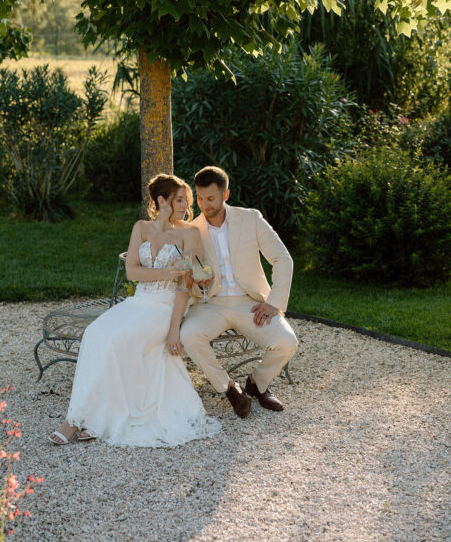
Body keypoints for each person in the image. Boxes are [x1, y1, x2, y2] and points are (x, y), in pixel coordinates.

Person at [49, 173, 222, 447]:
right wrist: (167, 270)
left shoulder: (189, 234)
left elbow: (183, 287)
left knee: (116, 341)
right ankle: (84, 417)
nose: (186, 207)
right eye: (180, 200)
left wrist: (175, 327)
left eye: (187, 201)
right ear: (162, 201)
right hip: (138, 302)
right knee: (95, 334)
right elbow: (132, 272)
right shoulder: (141, 228)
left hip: (164, 309)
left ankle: (77, 422)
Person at [179, 166, 297, 414]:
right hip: (210, 304)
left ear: (225, 195)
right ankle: (230, 389)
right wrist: (196, 283)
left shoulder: (251, 218)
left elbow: (283, 259)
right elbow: (189, 272)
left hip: (249, 302)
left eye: (210, 198)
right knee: (189, 335)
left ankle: (257, 384)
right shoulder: (191, 229)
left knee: (287, 342)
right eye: (199, 198)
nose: (204, 204)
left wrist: (274, 303)